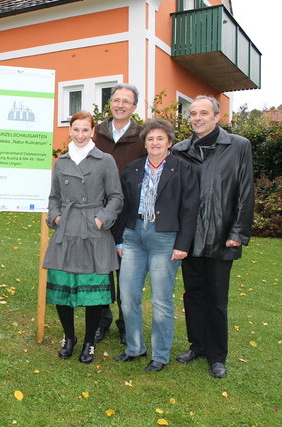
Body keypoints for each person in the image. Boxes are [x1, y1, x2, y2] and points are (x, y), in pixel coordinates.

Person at [171, 95, 254, 378]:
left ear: (217, 117)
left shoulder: (238, 146)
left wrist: (238, 232)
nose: (197, 118)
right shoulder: (180, 150)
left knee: (217, 299)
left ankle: (217, 356)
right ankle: (197, 346)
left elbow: (245, 191)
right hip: (189, 238)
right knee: (193, 295)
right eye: (193, 113)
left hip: (221, 235)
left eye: (203, 113)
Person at [112, 119, 199, 372]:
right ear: (145, 143)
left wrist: (183, 244)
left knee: (161, 300)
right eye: (150, 139)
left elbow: (190, 209)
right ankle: (134, 348)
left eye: (160, 138)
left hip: (165, 237)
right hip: (133, 235)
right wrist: (119, 238)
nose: (155, 143)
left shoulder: (183, 169)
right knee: (127, 296)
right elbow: (123, 206)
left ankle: (160, 355)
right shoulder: (133, 168)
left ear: (169, 142)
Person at [43, 111, 123, 364]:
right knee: (61, 289)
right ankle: (69, 337)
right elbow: (54, 196)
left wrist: (100, 219)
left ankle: (89, 341)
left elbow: (116, 197)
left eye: (85, 130)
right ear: (70, 130)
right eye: (75, 129)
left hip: (93, 231)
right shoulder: (62, 161)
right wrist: (56, 217)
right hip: (66, 229)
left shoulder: (105, 160)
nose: (80, 135)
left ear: (92, 132)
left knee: (94, 294)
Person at [93, 83, 147, 345]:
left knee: (128, 275)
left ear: (134, 107)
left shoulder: (142, 135)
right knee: (102, 273)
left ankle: (126, 323)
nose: (120, 105)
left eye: (126, 101)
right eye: (116, 100)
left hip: (129, 215)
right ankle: (101, 320)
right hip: (100, 214)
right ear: (110, 103)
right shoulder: (98, 133)